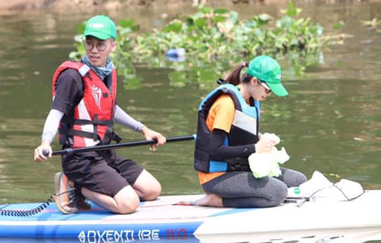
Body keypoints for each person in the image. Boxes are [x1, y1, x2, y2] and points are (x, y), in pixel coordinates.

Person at [34, 15, 166, 214]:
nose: (94, 50)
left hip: (103, 154)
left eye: (100, 45)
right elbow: (56, 113)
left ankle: (90, 187)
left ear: (113, 45)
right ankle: (76, 186)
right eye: (89, 44)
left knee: (152, 190)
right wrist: (45, 142)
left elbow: (110, 109)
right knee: (129, 204)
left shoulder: (106, 72)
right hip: (80, 158)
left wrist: (143, 129)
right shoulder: (72, 76)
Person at [193, 55, 307, 208]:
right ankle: (216, 201)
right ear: (254, 81)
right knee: (278, 192)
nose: (268, 95)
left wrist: (261, 139)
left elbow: (239, 134)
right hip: (217, 177)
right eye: (268, 90)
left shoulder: (250, 101)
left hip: (240, 168)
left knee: (299, 181)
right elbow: (215, 150)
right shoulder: (226, 104)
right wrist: (255, 148)